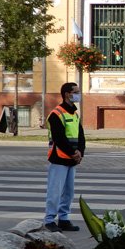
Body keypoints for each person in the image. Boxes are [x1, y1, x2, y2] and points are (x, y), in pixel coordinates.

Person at [43, 82, 85, 232]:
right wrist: (74, 153)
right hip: (59, 158)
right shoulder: (56, 114)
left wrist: (80, 152)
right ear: (67, 94)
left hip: (72, 159)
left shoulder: (74, 114)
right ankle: (49, 220)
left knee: (68, 191)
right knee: (55, 190)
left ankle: (64, 219)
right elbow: (59, 138)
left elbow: (81, 136)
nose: (79, 94)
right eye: (76, 92)